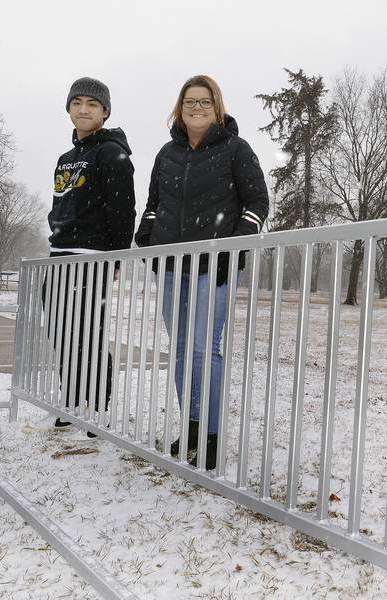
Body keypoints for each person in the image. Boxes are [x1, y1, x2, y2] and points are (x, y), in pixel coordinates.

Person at [134, 75, 268, 470]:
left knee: (202, 348)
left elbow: (257, 201)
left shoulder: (236, 149)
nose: (196, 108)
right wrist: (148, 234)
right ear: (179, 107)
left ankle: (211, 433)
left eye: (204, 102)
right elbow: (155, 203)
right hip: (174, 269)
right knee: (178, 349)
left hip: (215, 267)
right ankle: (190, 426)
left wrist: (232, 248)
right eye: (190, 102)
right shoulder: (167, 153)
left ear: (217, 106)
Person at [46, 76, 136, 437]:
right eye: (77, 103)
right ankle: (72, 398)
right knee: (61, 330)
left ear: (105, 112)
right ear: (69, 108)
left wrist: (113, 259)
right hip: (58, 255)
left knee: (88, 332)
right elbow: (59, 205)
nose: (84, 110)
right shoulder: (65, 159)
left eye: (92, 105)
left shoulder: (112, 153)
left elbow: (122, 211)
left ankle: (100, 404)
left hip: (92, 257)